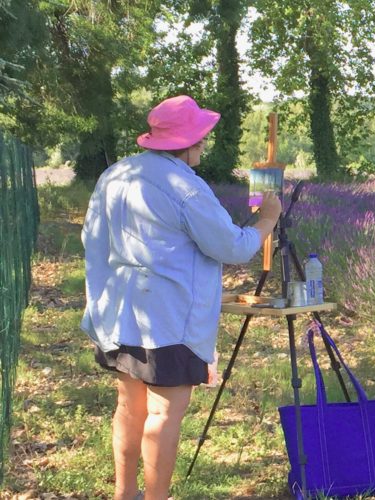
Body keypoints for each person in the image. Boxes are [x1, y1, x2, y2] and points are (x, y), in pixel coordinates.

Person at [80, 95, 282, 500]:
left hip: (119, 312)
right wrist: (267, 219)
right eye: (201, 138)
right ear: (187, 141)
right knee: (162, 415)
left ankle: (125, 494)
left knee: (130, 408)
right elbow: (232, 247)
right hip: (167, 321)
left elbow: (92, 238)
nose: (204, 145)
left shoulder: (116, 174)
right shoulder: (185, 186)